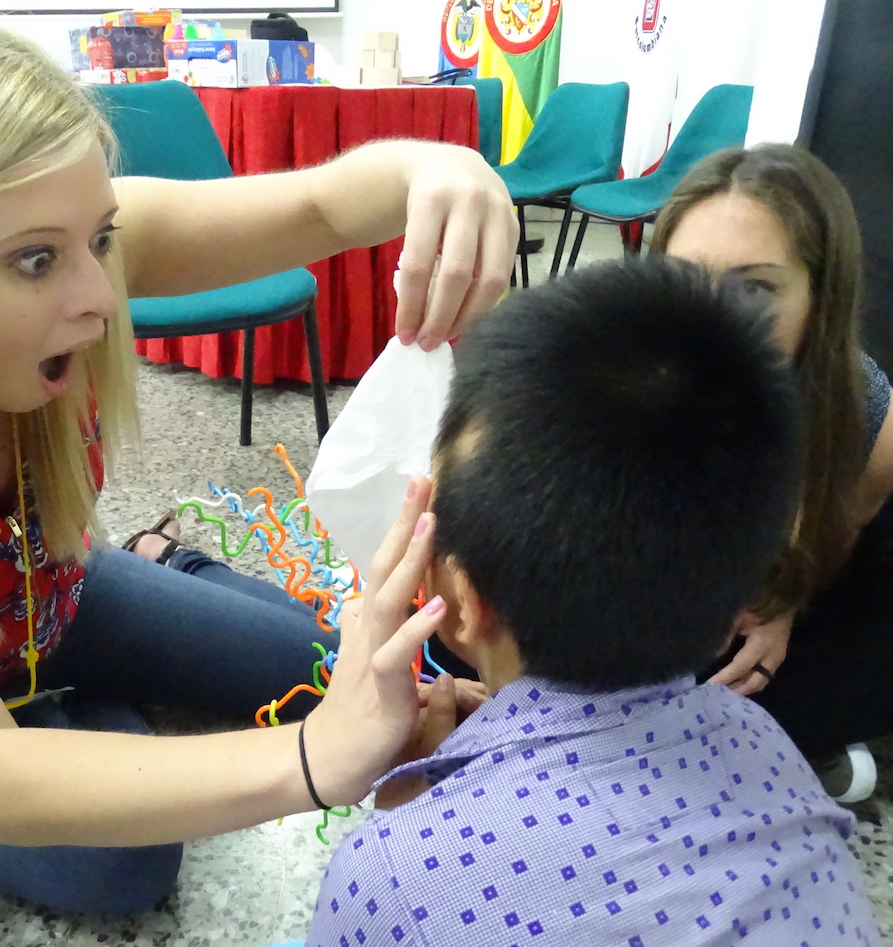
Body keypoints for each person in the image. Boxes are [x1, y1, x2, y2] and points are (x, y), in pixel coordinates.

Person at [0, 16, 519, 916]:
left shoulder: (71, 255)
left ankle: (164, 583)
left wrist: (442, 171)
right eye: (35, 261)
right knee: (122, 865)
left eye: (101, 240)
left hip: (61, 590)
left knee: (339, 678)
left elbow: (322, 207)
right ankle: (80, 714)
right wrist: (316, 759)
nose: (99, 297)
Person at [304, 257, 879, 947]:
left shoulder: (389, 879)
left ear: (459, 597)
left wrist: (407, 818)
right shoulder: (768, 744)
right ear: (744, 600)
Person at [651, 143, 893, 801]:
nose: (709, 318)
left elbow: (832, 531)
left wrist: (784, 603)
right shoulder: (615, 378)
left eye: (754, 287)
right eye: (683, 278)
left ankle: (798, 742)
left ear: (821, 297)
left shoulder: (866, 415)